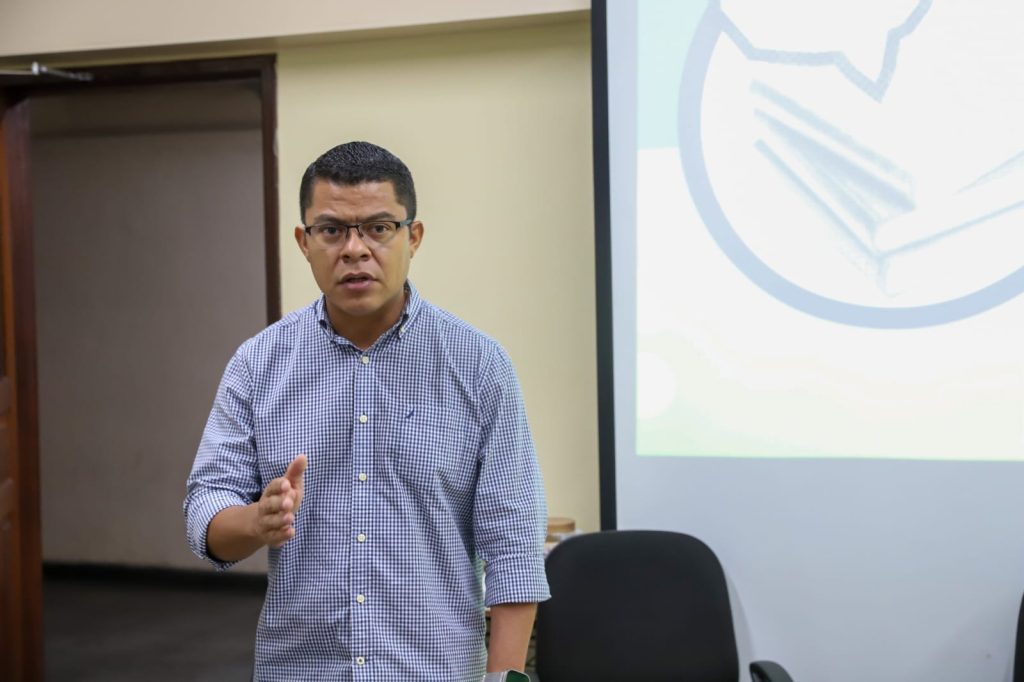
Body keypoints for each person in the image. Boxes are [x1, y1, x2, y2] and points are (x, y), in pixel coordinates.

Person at [184, 141, 550, 681]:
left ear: (413, 237)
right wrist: (255, 521)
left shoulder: (478, 365)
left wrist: (504, 679)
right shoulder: (258, 363)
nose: (355, 250)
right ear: (304, 242)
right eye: (332, 230)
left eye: (378, 228)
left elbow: (513, 543)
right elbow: (205, 510)